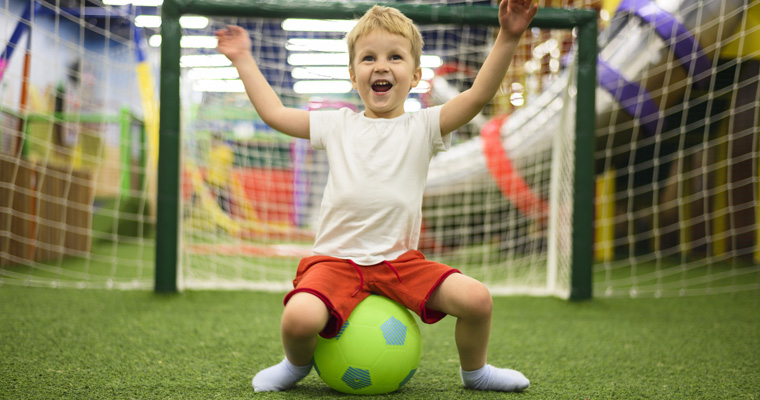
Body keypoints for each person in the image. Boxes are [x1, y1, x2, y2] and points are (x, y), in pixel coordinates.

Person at [216, 0, 538, 392]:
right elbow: (276, 114)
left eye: (395, 57)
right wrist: (243, 59)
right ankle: (296, 364)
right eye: (368, 58)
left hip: (399, 262)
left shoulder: (424, 126)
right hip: (336, 260)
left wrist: (508, 36)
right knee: (298, 320)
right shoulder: (337, 124)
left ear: (416, 74)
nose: (381, 66)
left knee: (477, 300)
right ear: (354, 76)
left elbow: (476, 96)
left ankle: (476, 373)